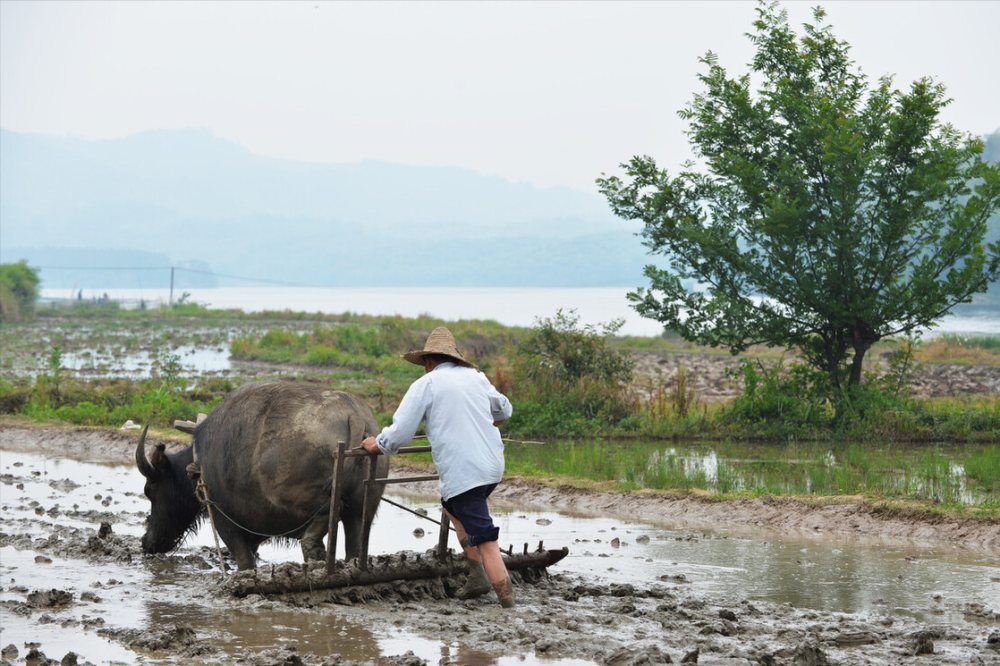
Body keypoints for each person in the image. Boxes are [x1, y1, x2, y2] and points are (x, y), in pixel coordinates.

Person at [362, 326, 515, 608]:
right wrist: (481, 423)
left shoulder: (426, 385)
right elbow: (504, 410)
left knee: (486, 540)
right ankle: (476, 574)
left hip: (466, 472)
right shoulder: (476, 377)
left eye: (423, 365)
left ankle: (509, 605)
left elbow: (400, 433)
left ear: (429, 361)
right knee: (451, 505)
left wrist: (377, 444)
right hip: (492, 466)